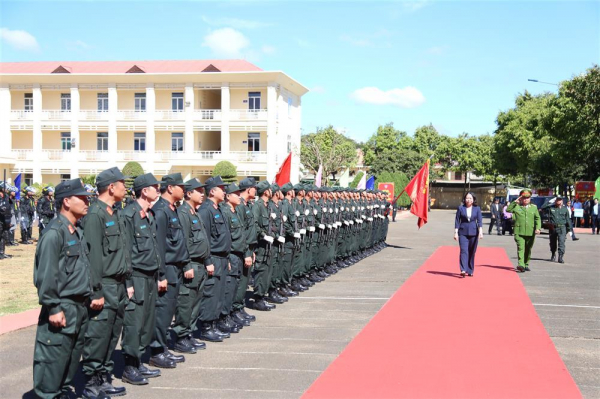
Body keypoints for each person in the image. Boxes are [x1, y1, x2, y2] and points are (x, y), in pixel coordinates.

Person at [31, 179, 105, 399]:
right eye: (81, 198)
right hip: (63, 307)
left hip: (79, 307)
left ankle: (62, 392)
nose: (86, 202)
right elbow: (45, 276)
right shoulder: (55, 233)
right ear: (66, 201)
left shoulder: (75, 231)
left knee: (70, 360)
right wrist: (53, 307)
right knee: (52, 362)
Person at [82, 167, 131, 398]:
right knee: (99, 334)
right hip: (106, 285)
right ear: (111, 187)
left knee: (112, 334)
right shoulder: (95, 215)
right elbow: (93, 259)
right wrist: (96, 291)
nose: (125, 187)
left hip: (119, 285)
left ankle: (103, 377)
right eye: (122, 183)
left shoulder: (114, 212)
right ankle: (91, 382)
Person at [120, 173, 163, 384]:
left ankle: (139, 361)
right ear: (144, 191)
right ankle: (129, 366)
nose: (158, 189)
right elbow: (126, 252)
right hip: (136, 276)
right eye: (155, 186)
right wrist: (127, 282)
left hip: (150, 276)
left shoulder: (150, 214)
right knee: (134, 322)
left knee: (147, 321)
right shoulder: (129, 214)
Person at [149, 173, 191, 366]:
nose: (184, 190)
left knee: (168, 312)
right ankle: (157, 351)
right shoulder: (160, 211)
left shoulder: (171, 209)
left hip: (176, 268)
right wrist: (161, 274)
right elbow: (158, 245)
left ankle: (163, 347)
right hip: (167, 269)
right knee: (162, 312)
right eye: (181, 186)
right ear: (171, 188)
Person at [173, 178, 210, 349]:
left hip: (200, 264)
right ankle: (181, 337)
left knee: (196, 302)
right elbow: (184, 242)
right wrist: (187, 265)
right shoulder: (183, 213)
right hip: (191, 264)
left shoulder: (195, 212)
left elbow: (203, 240)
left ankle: (189, 333)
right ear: (189, 193)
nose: (202, 194)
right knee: (186, 302)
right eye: (198, 191)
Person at [198, 176, 233, 339]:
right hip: (213, 258)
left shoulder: (217, 208)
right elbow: (204, 238)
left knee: (220, 293)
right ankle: (206, 327)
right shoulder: (206, 210)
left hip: (223, 258)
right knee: (211, 294)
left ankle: (215, 323)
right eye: (221, 188)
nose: (224, 191)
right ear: (212, 191)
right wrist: (208, 261)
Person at [507, 189, 541, 272]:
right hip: (519, 232)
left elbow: (537, 218)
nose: (526, 199)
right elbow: (508, 210)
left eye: (527, 198)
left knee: (528, 249)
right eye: (524, 198)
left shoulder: (534, 208)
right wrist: (515, 202)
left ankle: (526, 264)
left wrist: (538, 228)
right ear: (521, 198)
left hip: (530, 231)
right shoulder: (516, 207)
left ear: (530, 199)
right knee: (521, 248)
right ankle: (521, 265)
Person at [454, 192, 483, 277]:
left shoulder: (477, 209)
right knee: (463, 251)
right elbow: (457, 221)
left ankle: (470, 270)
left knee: (472, 252)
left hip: (474, 233)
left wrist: (480, 232)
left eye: (470, 198)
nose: (468, 200)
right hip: (462, 232)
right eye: (467, 198)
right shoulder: (460, 208)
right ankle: (463, 269)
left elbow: (479, 221)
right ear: (464, 199)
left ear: (473, 199)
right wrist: (456, 232)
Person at [545, 195, 572, 263]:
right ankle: (553, 254)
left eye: (560, 200)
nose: (558, 201)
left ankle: (560, 256)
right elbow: (543, 207)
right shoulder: (551, 208)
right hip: (553, 228)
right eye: (557, 200)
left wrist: (569, 229)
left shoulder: (565, 209)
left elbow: (568, 219)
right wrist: (549, 201)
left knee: (561, 242)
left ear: (562, 201)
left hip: (562, 227)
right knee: (552, 243)